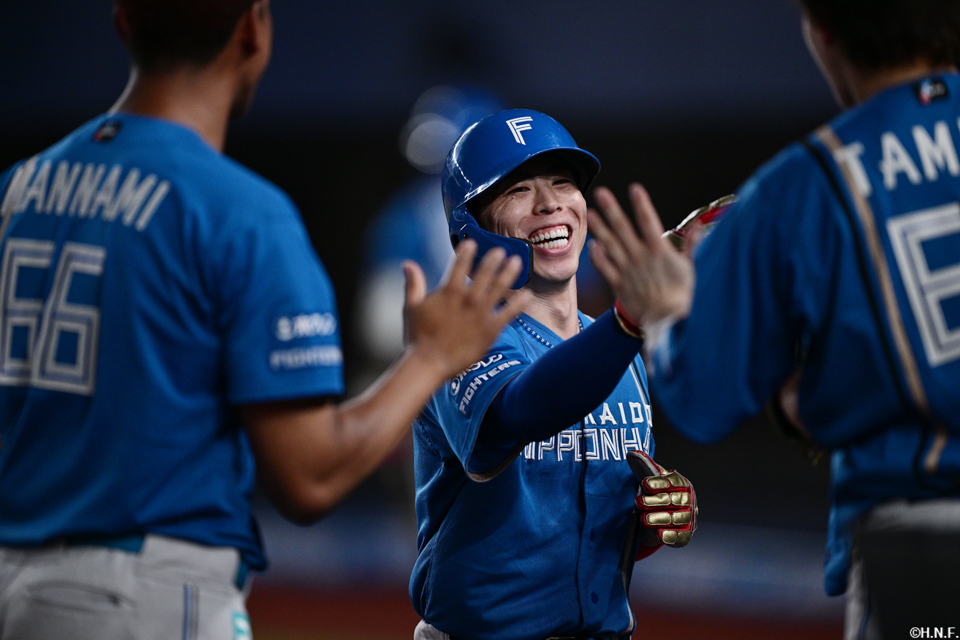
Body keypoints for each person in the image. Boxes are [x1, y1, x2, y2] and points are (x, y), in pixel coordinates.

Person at [0, 1, 529, 638]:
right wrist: (434, 357)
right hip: (138, 593)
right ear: (254, 27)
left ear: (122, 23)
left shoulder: (17, 187)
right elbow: (309, 478)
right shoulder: (240, 213)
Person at [587, 0, 960, 636]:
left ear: (822, 33)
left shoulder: (802, 188)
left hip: (925, 543)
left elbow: (701, 399)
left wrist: (668, 307)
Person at [409, 109, 697, 640]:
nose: (549, 203)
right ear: (470, 225)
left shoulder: (617, 350)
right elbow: (512, 418)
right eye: (517, 189)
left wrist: (655, 515)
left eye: (563, 182)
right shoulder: (456, 335)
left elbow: (590, 524)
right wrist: (628, 321)